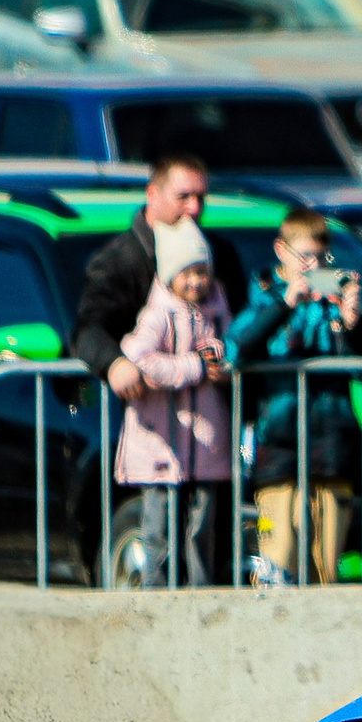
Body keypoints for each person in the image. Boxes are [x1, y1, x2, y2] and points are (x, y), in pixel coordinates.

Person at [229, 208, 362, 588]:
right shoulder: (264, 295)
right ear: (281, 250)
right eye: (305, 257)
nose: (314, 266)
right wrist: (286, 304)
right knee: (277, 568)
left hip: (330, 450)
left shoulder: (332, 298)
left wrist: (353, 322)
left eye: (323, 258)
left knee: (325, 572)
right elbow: (238, 347)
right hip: (279, 451)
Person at [115, 218, 233, 588]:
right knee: (159, 531)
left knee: (202, 531)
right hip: (161, 444)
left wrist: (224, 368)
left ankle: (200, 597)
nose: (197, 282)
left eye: (202, 272)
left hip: (205, 443)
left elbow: (233, 351)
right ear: (169, 276)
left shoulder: (217, 309)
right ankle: (156, 599)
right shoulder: (158, 312)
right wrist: (195, 366)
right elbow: (138, 354)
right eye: (187, 274)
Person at [73, 153, 242, 403]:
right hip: (145, 420)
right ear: (152, 194)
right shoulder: (117, 260)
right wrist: (114, 364)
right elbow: (88, 330)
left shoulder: (219, 254)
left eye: (200, 198)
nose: (194, 208)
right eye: (183, 197)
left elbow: (241, 324)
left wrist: (233, 364)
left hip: (211, 426)